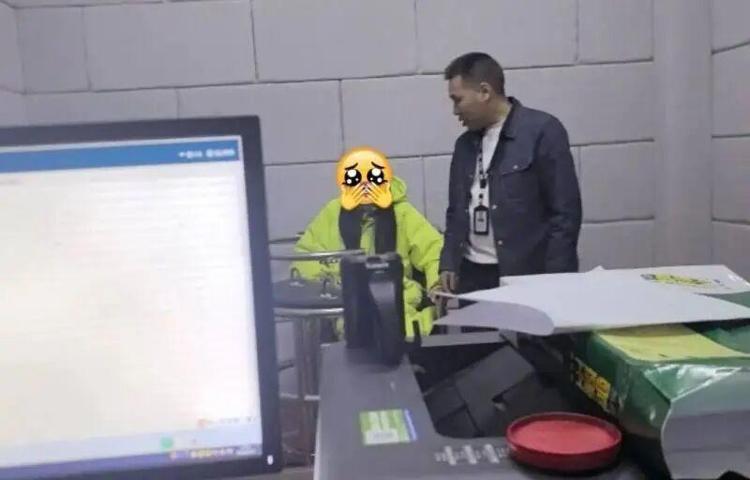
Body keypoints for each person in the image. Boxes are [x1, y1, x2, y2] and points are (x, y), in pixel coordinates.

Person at [438, 52, 582, 298]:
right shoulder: (464, 145)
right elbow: (456, 210)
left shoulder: (542, 131)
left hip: (526, 276)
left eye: (458, 100)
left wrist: (557, 280)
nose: (454, 110)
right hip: (473, 276)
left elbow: (565, 215)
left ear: (484, 91)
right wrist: (449, 261)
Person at [292, 146, 443, 339]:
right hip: (348, 305)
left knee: (405, 332)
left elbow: (434, 250)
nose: (364, 185)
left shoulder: (402, 213)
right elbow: (305, 257)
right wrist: (330, 288)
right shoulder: (333, 212)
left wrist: (437, 286)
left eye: (373, 177)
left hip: (399, 302)